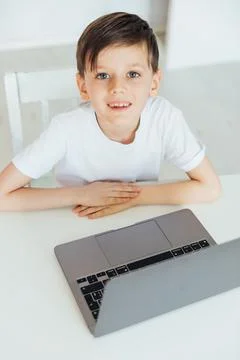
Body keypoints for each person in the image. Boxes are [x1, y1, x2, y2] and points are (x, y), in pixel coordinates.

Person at [0, 12, 221, 218]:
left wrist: (134, 198)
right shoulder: (66, 129)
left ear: (154, 83)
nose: (118, 87)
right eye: (103, 75)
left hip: (137, 216)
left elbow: (210, 188)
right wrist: (81, 194)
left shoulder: (165, 118)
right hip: (77, 215)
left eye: (132, 74)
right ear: (83, 86)